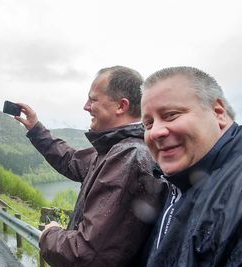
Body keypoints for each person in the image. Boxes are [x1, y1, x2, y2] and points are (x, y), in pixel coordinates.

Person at [15, 66, 165, 267]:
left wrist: (50, 234)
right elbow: (71, 160)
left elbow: (87, 255)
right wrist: (36, 129)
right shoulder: (116, 150)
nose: (86, 106)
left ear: (121, 106)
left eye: (93, 100)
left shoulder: (128, 157)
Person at [140, 66, 242, 266]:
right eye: (148, 124)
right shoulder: (180, 179)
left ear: (218, 113)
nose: (155, 132)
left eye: (170, 115)